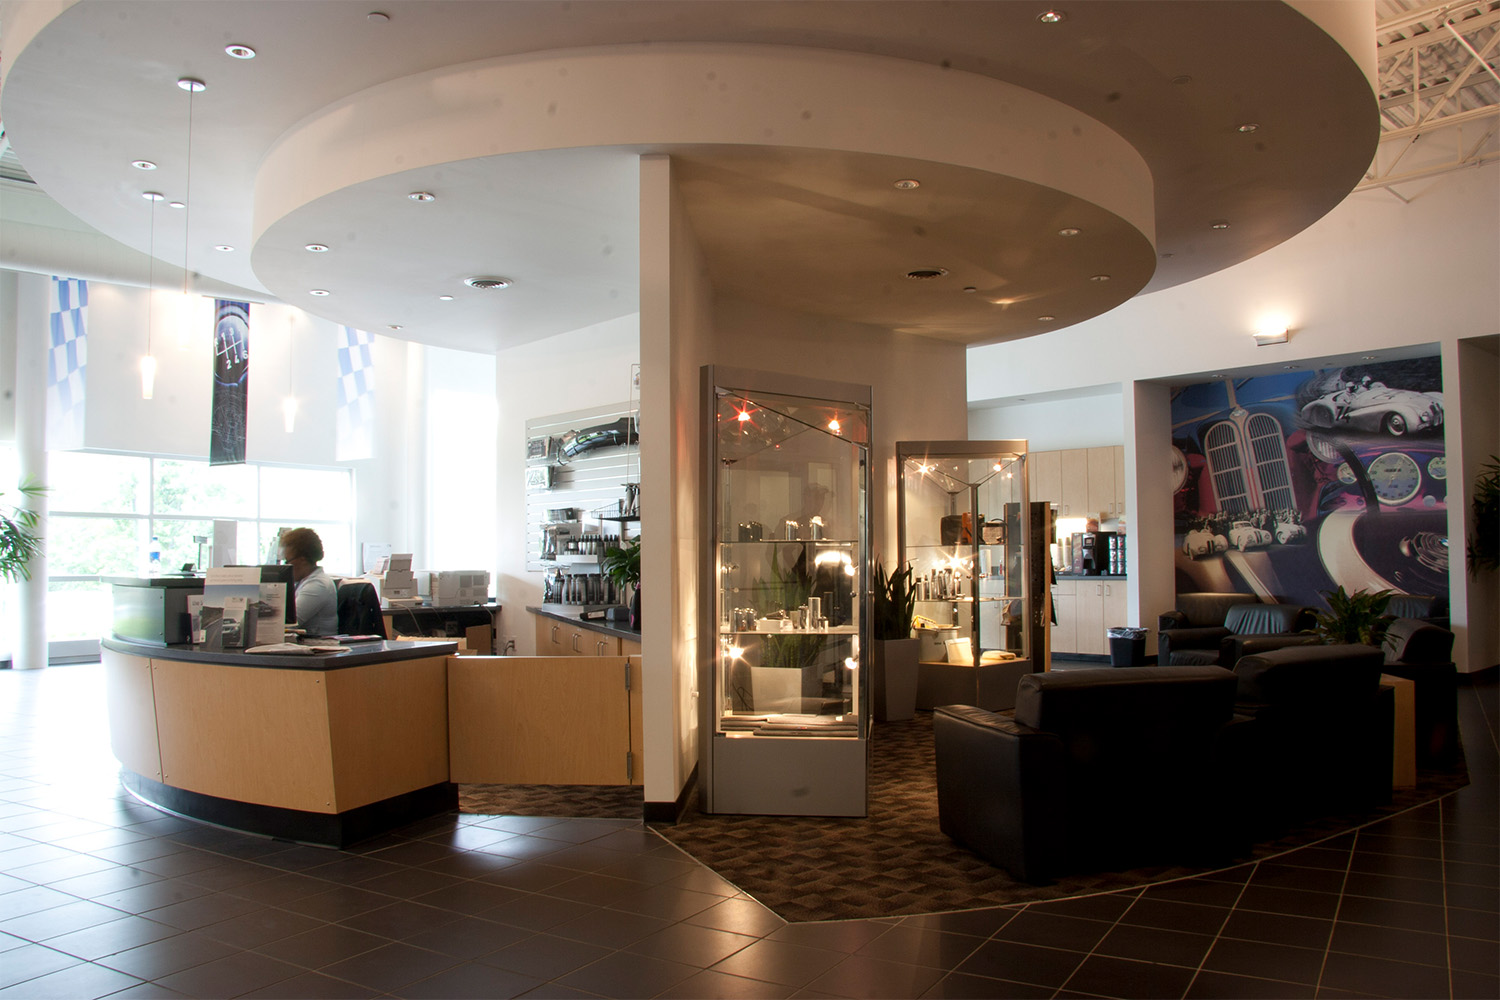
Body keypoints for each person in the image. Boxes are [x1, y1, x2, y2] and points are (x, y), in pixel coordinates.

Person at [279, 527, 338, 635]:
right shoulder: (303, 582)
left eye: (287, 561)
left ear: (302, 559)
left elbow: (290, 623)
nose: (285, 566)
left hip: (318, 646)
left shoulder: (318, 585)